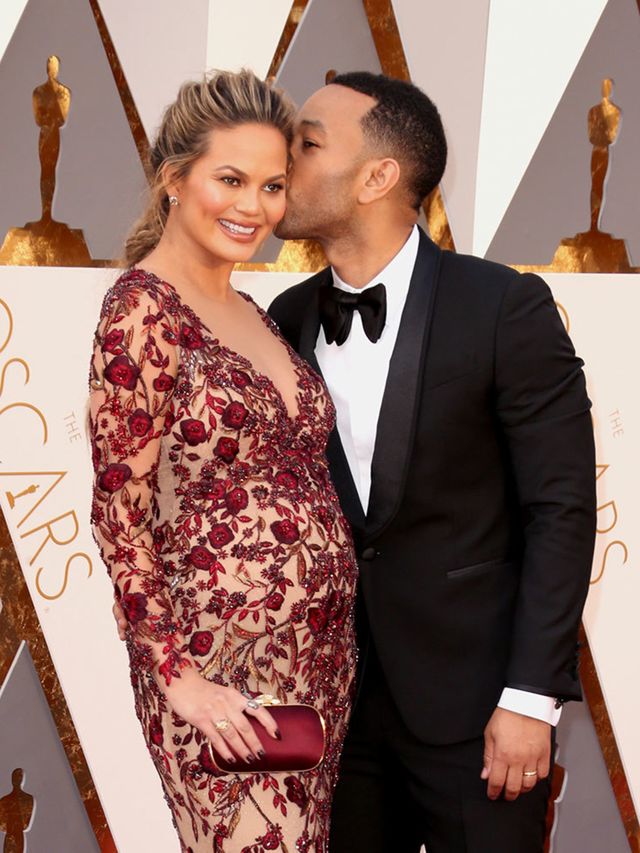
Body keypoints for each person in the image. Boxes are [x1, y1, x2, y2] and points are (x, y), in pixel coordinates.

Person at [267, 73, 596, 852]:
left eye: (308, 143)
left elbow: (560, 508)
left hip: (480, 713)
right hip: (334, 716)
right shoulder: (284, 319)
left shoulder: (503, 307)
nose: (286, 160)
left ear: (379, 176)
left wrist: (530, 698)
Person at [89, 69, 358, 853]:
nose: (254, 207)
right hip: (219, 671)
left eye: (273, 186)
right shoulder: (141, 310)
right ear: (174, 178)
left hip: (317, 666)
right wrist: (181, 680)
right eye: (230, 179)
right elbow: (120, 513)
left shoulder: (256, 313)